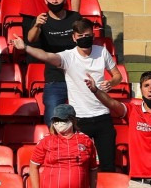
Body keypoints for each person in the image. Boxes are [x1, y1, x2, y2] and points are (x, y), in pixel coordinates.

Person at [10, 19, 120, 171]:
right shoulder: (68, 56)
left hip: (103, 116)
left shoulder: (102, 52)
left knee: (108, 165)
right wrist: (26, 48)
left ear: (93, 35)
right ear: (74, 38)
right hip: (80, 119)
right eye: (80, 36)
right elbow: (47, 56)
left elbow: (117, 75)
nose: (84, 38)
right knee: (81, 166)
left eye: (87, 35)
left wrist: (112, 83)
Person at [28, 103, 98, 188]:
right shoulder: (46, 141)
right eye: (56, 120)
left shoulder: (86, 141)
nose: (58, 123)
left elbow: (93, 169)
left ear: (72, 120)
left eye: (62, 120)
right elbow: (33, 167)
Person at [25, 0, 82, 122]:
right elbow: (31, 39)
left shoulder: (75, 18)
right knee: (52, 116)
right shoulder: (42, 20)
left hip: (77, 76)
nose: (54, 1)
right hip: (54, 78)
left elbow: (85, 38)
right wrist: (37, 24)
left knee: (83, 117)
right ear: (45, 0)